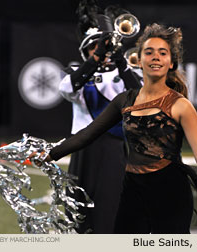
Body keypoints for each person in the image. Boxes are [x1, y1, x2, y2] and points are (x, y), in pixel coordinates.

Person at [33, 23, 197, 233]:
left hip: (170, 191)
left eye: (163, 53)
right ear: (141, 59)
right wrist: (50, 154)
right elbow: (87, 135)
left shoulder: (181, 105)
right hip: (131, 191)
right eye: (149, 52)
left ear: (172, 63)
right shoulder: (124, 100)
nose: (156, 56)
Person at [59, 27, 141, 233]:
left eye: (104, 47)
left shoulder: (124, 74)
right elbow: (67, 89)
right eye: (94, 48)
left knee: (110, 200)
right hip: (83, 146)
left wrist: (121, 63)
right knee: (78, 203)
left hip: (114, 146)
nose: (101, 51)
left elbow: (140, 97)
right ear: (86, 52)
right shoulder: (76, 73)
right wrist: (95, 60)